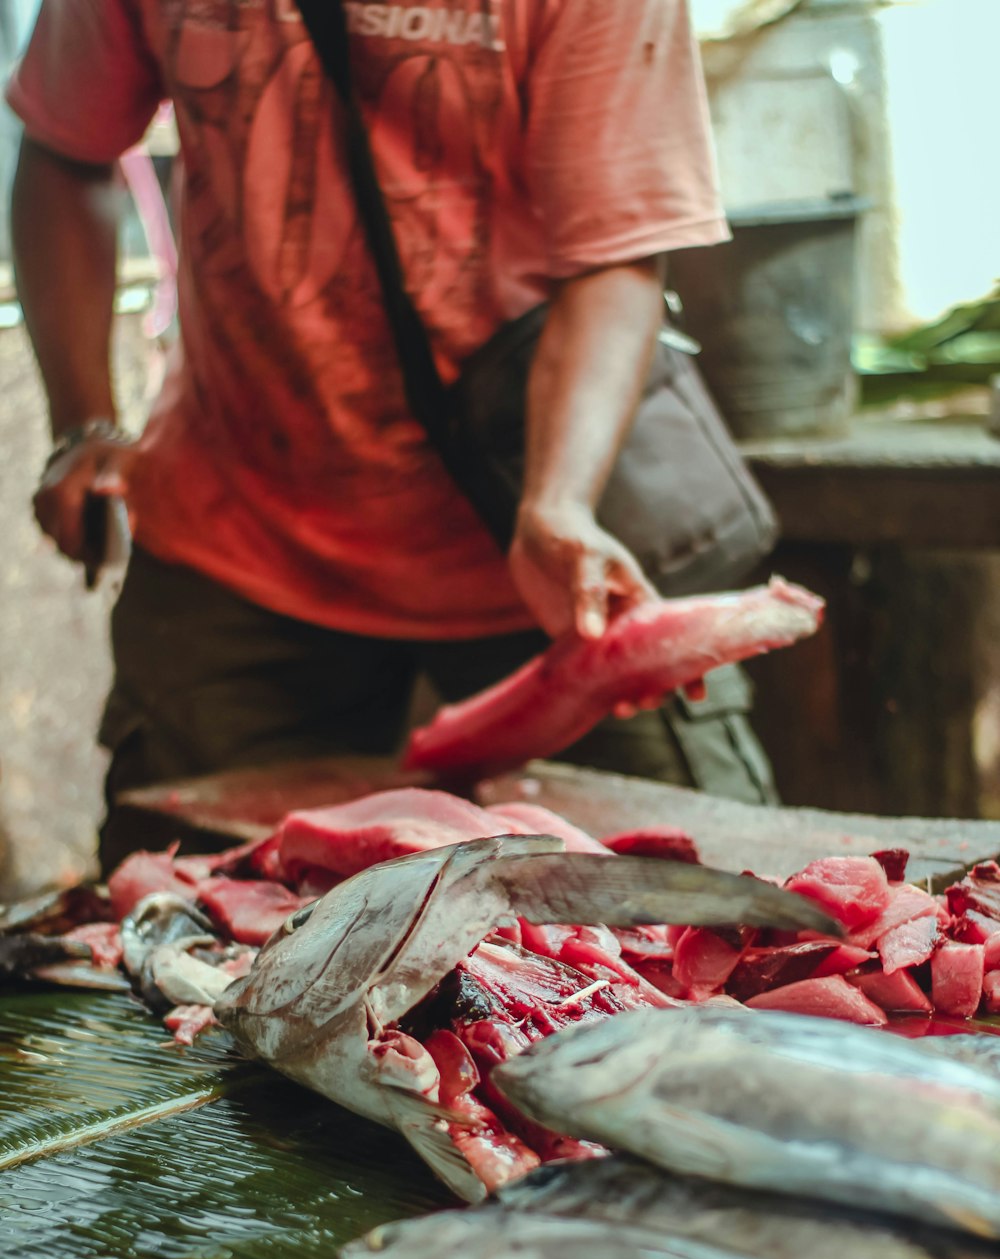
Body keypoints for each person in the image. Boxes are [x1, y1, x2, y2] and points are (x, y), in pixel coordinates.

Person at [7, 0, 775, 871]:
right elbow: (67, 150)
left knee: (710, 910)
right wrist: (83, 421)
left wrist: (558, 501)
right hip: (240, 545)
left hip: (542, 555)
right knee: (175, 916)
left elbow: (616, 254)